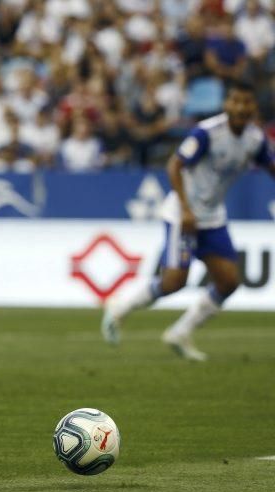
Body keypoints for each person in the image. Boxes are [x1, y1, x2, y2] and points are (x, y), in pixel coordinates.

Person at [101, 80, 275, 361]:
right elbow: (174, 165)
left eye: (247, 102)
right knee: (173, 281)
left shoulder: (255, 139)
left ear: (254, 106)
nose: (241, 107)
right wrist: (185, 210)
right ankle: (119, 308)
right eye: (236, 101)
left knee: (229, 282)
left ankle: (180, 331)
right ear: (227, 104)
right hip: (182, 214)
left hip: (213, 217)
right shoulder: (207, 133)